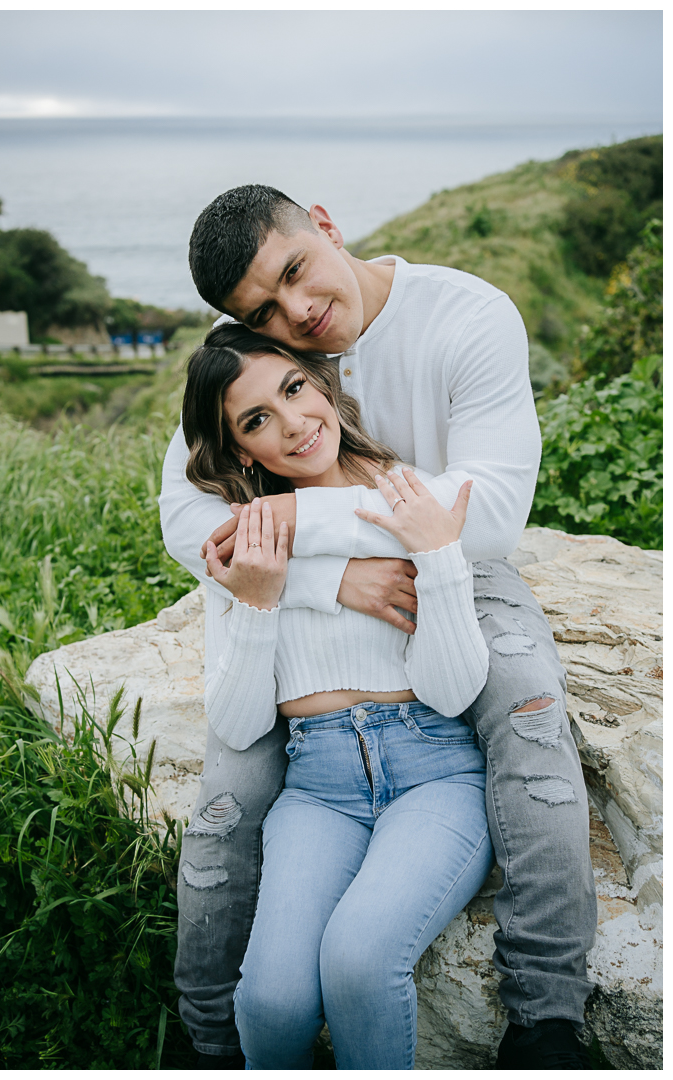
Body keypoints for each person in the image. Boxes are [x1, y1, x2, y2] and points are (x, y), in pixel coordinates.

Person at [160, 185, 596, 1070]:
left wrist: (301, 531)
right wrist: (331, 579)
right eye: (265, 311)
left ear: (325, 225)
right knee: (223, 798)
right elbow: (188, 520)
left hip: (458, 567)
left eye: (296, 271)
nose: (299, 312)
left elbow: (493, 516)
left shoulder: (465, 313)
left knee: (529, 716)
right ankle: (208, 1043)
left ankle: (548, 1018)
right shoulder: (252, 357)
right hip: (308, 604)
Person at [180, 321, 494, 1069]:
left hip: (436, 772)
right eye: (257, 419)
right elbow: (239, 719)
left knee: (358, 961)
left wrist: (438, 558)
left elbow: (454, 691)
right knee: (270, 1000)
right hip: (318, 791)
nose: (292, 424)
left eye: (294, 389)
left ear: (323, 384)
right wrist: (259, 600)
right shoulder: (245, 542)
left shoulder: (410, 492)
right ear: (239, 450)